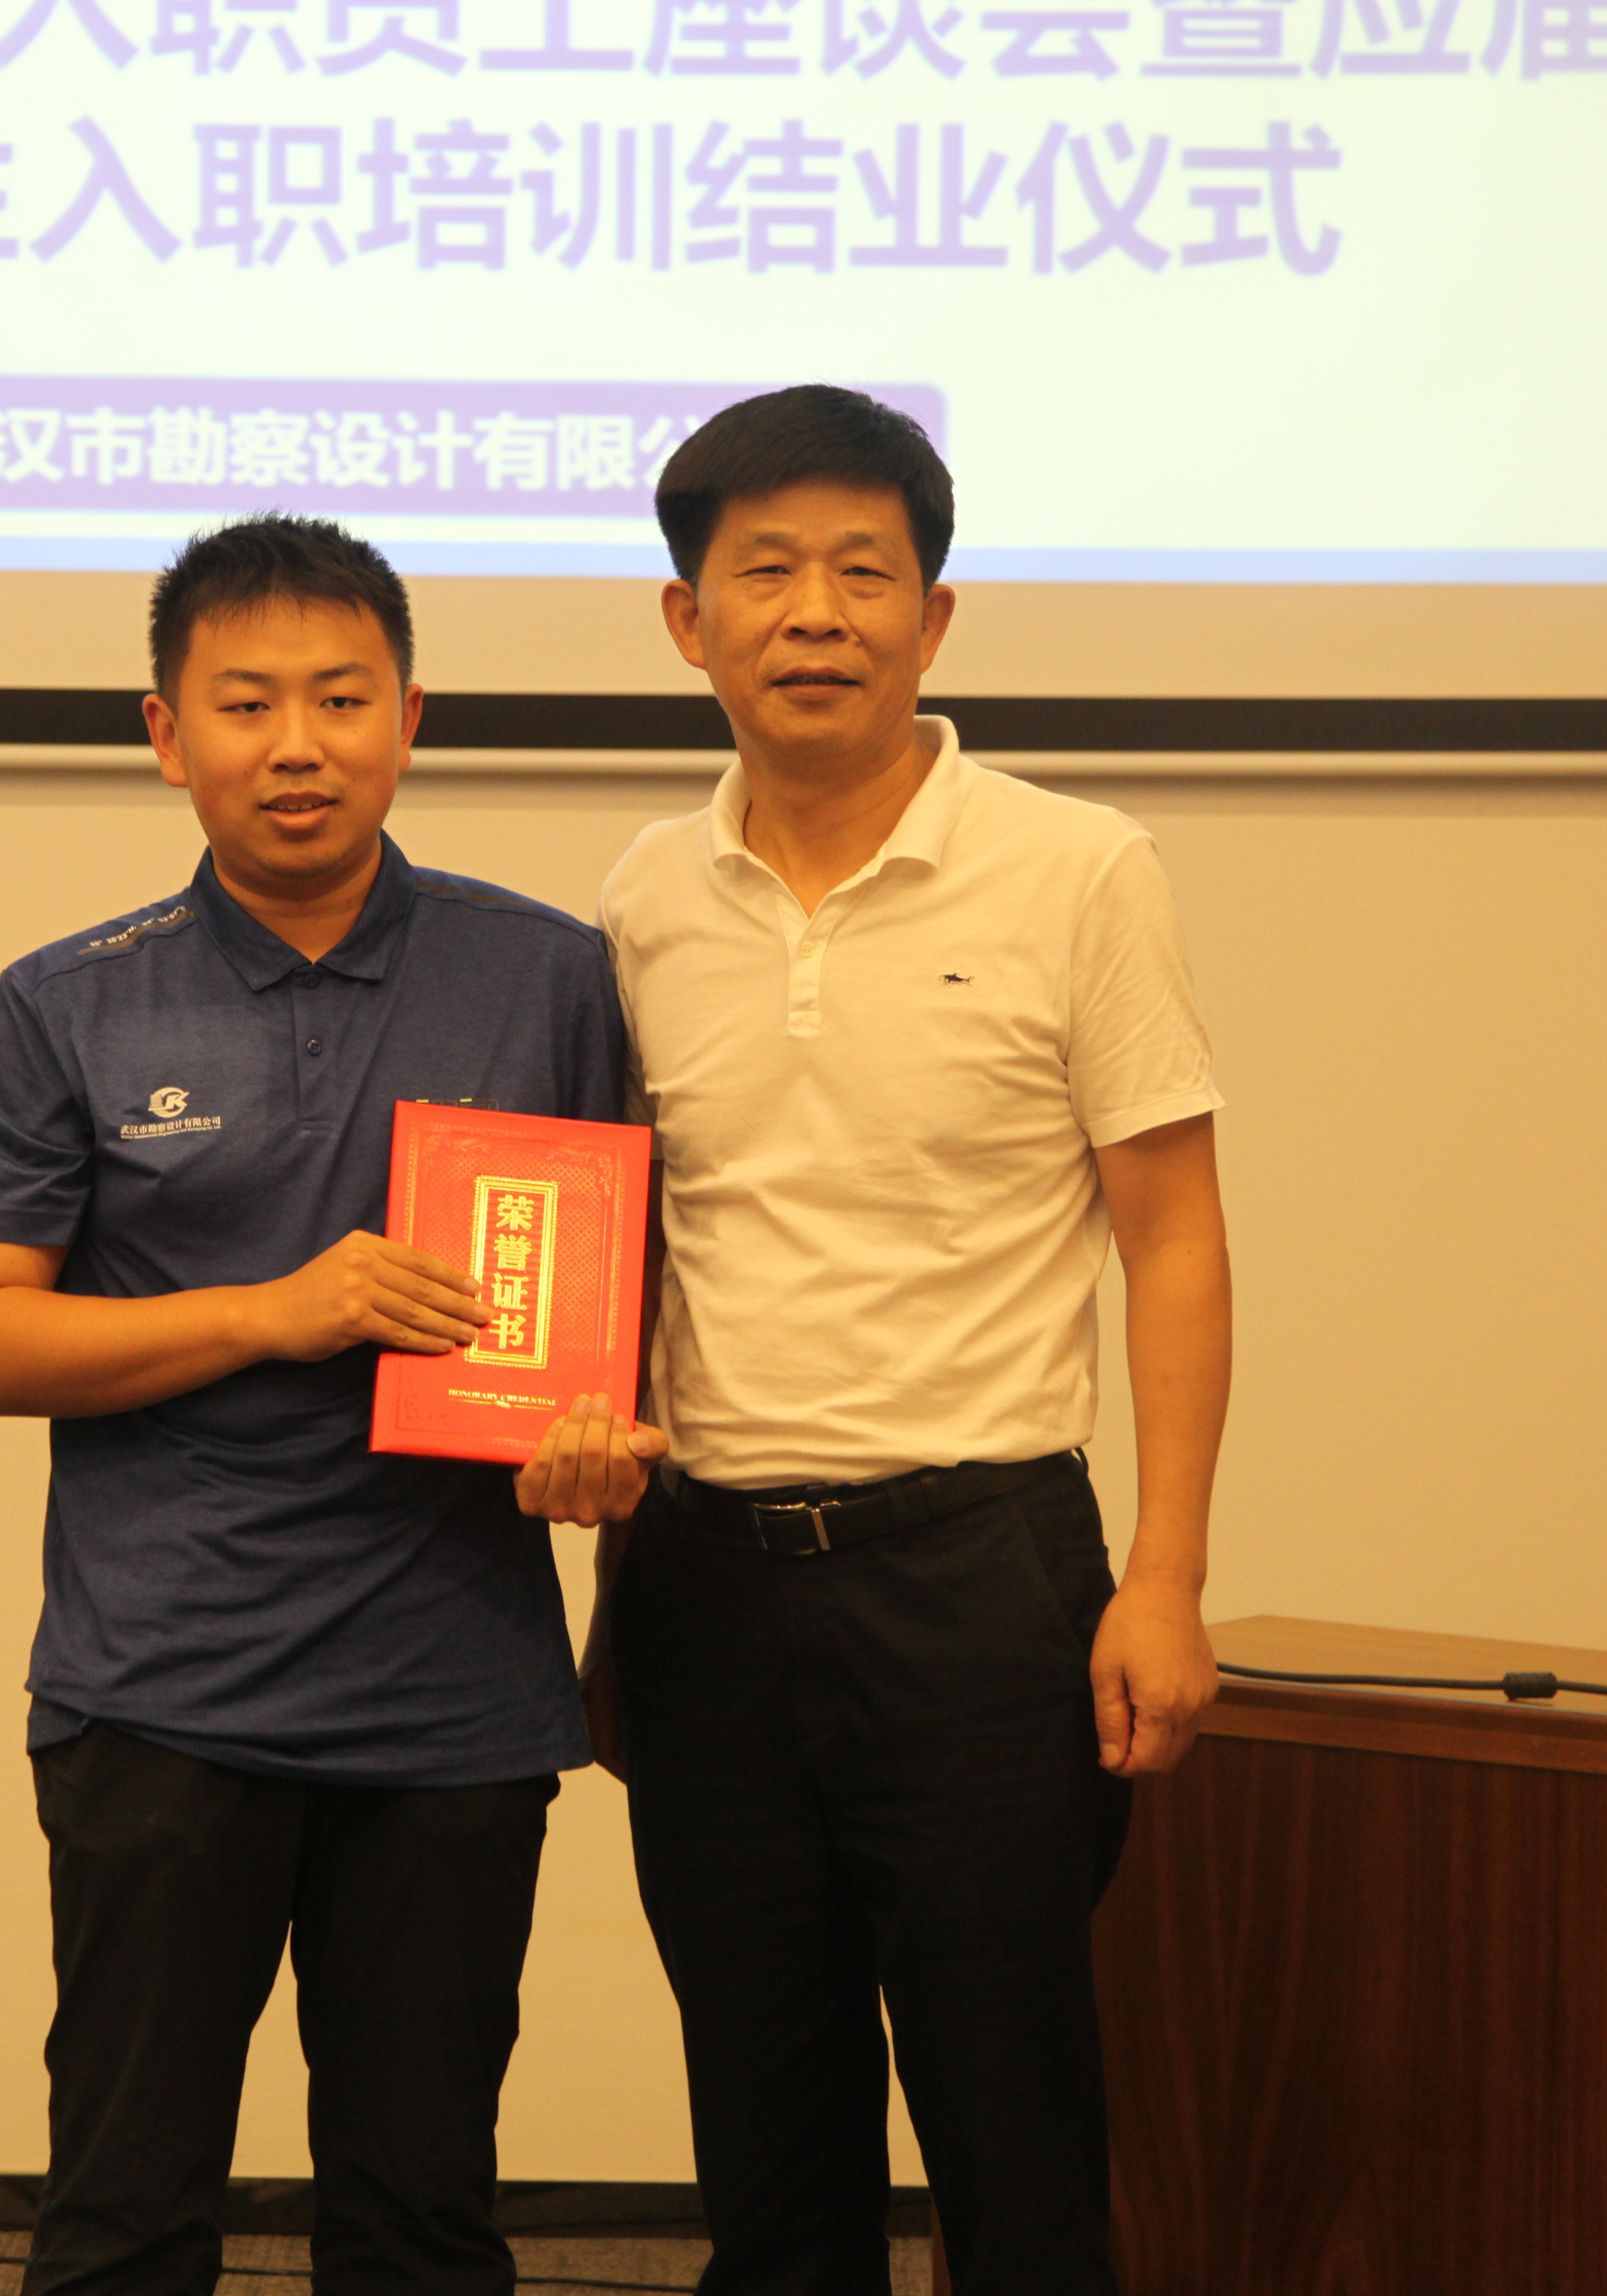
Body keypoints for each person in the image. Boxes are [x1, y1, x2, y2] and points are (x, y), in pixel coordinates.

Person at [561, 385, 1236, 2296]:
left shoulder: (1077, 870)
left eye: (864, 572)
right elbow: (640, 1254)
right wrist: (609, 1562)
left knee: (1015, 2148)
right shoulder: (641, 899)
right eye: (766, 572)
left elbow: (1176, 1242)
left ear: (934, 618)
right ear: (688, 620)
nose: (816, 613)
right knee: (767, 2153)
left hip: (980, 1584)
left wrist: (1167, 1580)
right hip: (706, 1593)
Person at [0, 515, 631, 2296]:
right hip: (163, 1695)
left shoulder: (550, 977)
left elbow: (628, 1308)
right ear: (168, 735)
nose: (296, 745)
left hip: (452, 1704)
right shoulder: (69, 1003)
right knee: (124, 2215)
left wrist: (606, 1447)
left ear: (411, 720)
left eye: (341, 697)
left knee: (422, 2220)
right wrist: (273, 1314)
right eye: (245, 704)